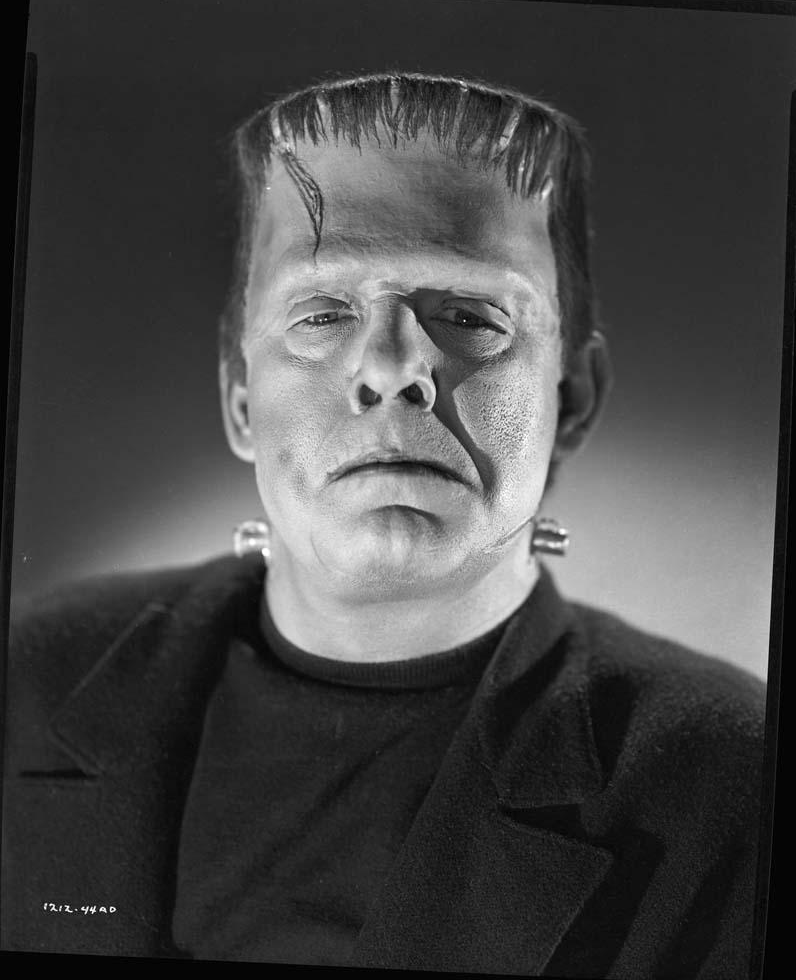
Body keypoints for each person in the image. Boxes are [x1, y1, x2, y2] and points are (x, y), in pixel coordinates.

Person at [2, 73, 766, 976]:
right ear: (239, 395)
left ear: (573, 399)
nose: (394, 366)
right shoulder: (29, 677)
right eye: (323, 312)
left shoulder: (734, 781)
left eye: (472, 315)